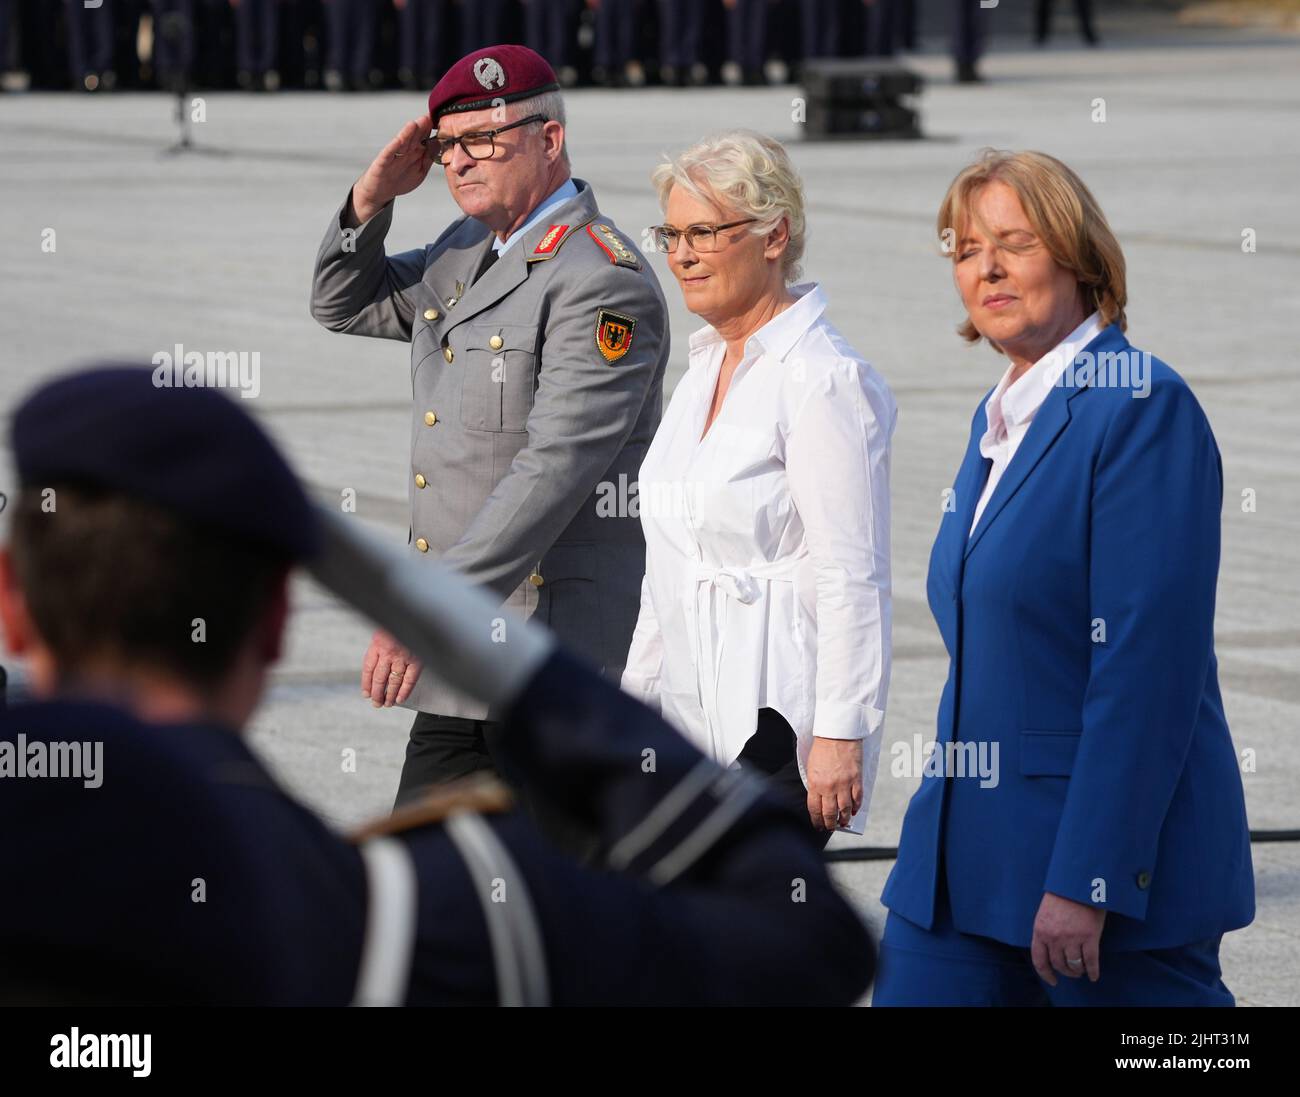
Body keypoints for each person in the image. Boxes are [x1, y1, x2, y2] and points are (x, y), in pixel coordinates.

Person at [0, 365, 874, 1006]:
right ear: (275, 622)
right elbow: (807, 947)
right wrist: (516, 662)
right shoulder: (433, 912)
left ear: (10, 602)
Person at [873, 150, 1255, 1006]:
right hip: (960, 865)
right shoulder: (1000, 413)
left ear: (1079, 258)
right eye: (967, 249)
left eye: (1016, 241)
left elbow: (1147, 671)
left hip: (1100, 882)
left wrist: (1090, 875)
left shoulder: (1139, 406)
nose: (989, 267)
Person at [311, 44, 669, 850]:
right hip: (463, 659)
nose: (460, 162)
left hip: (550, 653)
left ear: (550, 141)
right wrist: (373, 197)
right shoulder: (464, 250)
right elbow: (340, 302)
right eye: (447, 147)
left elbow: (556, 467)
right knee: (423, 890)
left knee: (557, 921)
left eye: (486, 140)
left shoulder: (600, 278)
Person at [622, 131, 896, 848]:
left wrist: (841, 730)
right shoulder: (703, 368)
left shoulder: (823, 378)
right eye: (672, 234)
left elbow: (853, 573)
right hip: (688, 721)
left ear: (774, 236)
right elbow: (667, 566)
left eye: (704, 232)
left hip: (778, 722)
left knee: (747, 937)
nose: (680, 253)